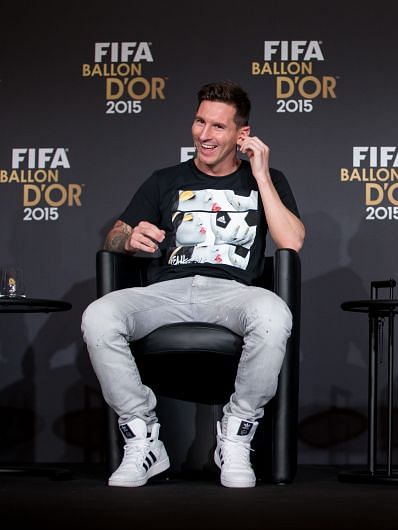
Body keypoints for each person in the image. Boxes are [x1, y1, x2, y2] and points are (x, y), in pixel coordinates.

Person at [82, 81, 304, 488]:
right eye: (200, 122)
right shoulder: (164, 180)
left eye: (218, 126)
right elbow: (114, 236)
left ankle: (235, 434)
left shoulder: (266, 180)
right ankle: (143, 438)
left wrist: (261, 175)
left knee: (273, 315)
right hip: (168, 291)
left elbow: (291, 241)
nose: (205, 135)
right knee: (99, 316)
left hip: (234, 294)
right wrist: (127, 239)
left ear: (242, 134)